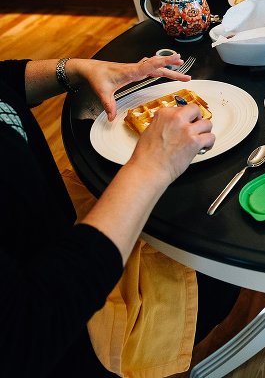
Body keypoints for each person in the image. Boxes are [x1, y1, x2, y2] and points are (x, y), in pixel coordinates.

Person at [0, 55, 240, 376]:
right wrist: (152, 165)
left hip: (63, 232)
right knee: (221, 258)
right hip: (76, 329)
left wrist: (72, 70)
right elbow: (23, 338)